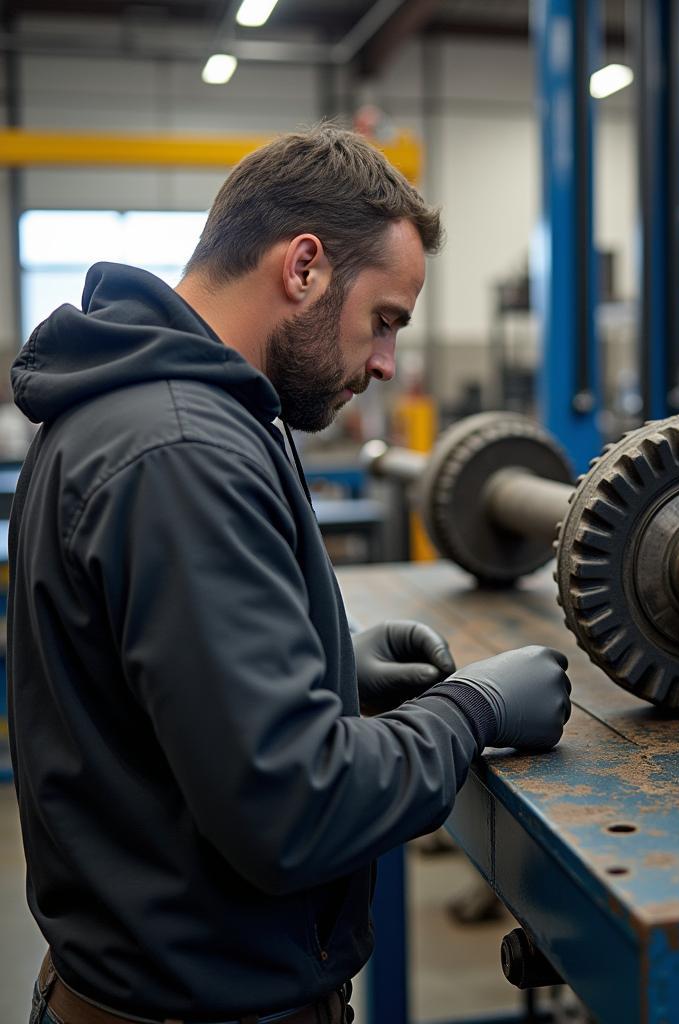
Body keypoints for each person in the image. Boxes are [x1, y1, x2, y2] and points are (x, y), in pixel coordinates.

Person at [9, 125, 572, 1024]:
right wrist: (472, 713)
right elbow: (292, 809)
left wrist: (331, 662)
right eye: (384, 320)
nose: (387, 363)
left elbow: (149, 684)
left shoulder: (145, 410)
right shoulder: (182, 450)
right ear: (304, 267)